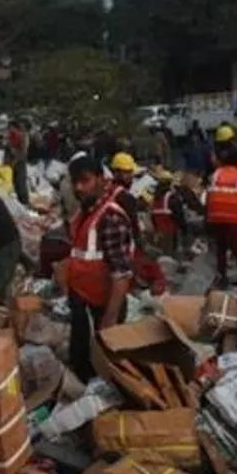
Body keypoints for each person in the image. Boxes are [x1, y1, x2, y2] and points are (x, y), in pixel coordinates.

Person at [64, 156, 135, 382]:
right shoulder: (83, 214)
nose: (78, 188)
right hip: (82, 302)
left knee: (101, 368)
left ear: (102, 181)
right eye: (75, 182)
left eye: (85, 181)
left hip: (100, 307)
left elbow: (121, 273)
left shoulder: (110, 217)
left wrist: (109, 319)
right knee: (80, 359)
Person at [205, 144, 237, 287]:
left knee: (221, 249)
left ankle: (222, 276)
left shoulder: (215, 174)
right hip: (234, 218)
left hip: (216, 216)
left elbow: (209, 196)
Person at [109, 152, 143, 249]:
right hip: (122, 247)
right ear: (116, 173)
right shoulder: (126, 198)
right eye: (128, 172)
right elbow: (134, 229)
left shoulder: (106, 190)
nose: (132, 176)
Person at [149, 169, 187, 255]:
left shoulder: (155, 199)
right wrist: (185, 230)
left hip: (159, 235)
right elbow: (179, 216)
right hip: (171, 235)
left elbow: (153, 217)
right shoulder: (172, 198)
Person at [6, 120, 29, 205]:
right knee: (15, 183)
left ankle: (25, 202)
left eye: (10, 128)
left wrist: (15, 160)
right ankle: (19, 202)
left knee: (21, 183)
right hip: (13, 163)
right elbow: (9, 150)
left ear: (15, 127)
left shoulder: (22, 136)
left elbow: (23, 152)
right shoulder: (10, 137)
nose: (9, 130)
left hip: (20, 162)